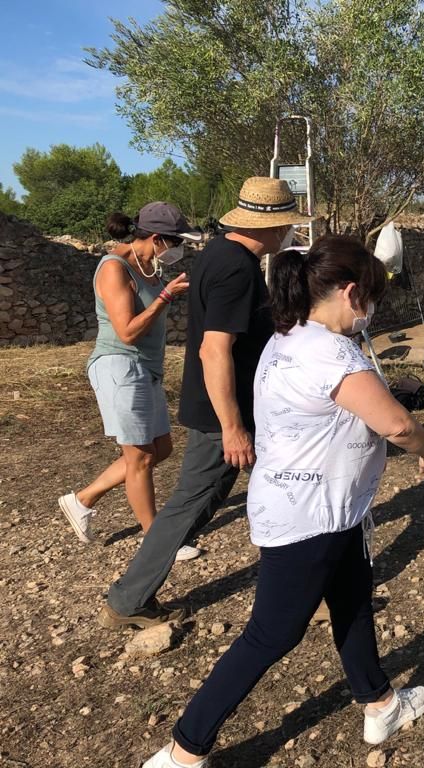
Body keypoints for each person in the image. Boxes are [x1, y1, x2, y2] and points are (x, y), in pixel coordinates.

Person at [142, 235, 424, 768]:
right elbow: (397, 424)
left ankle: (379, 704)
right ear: (352, 293)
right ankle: (183, 751)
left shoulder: (290, 336)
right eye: (372, 299)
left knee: (352, 599)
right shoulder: (330, 353)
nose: (372, 312)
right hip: (309, 517)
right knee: (271, 634)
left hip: (328, 509)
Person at [100, 177, 309, 629]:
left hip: (222, 408)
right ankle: (128, 599)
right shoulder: (236, 268)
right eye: (289, 225)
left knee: (205, 501)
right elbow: (214, 350)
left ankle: (131, 596)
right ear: (271, 227)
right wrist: (232, 426)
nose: (290, 233)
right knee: (274, 492)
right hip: (223, 413)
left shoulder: (221, 254)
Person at [59, 204, 201, 561]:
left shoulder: (148, 266)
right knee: (138, 456)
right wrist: (166, 296)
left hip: (145, 369)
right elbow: (126, 333)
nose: (178, 249)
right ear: (155, 239)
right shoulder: (113, 268)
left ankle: (82, 500)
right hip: (119, 365)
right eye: (175, 242)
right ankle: (157, 542)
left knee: (161, 450)